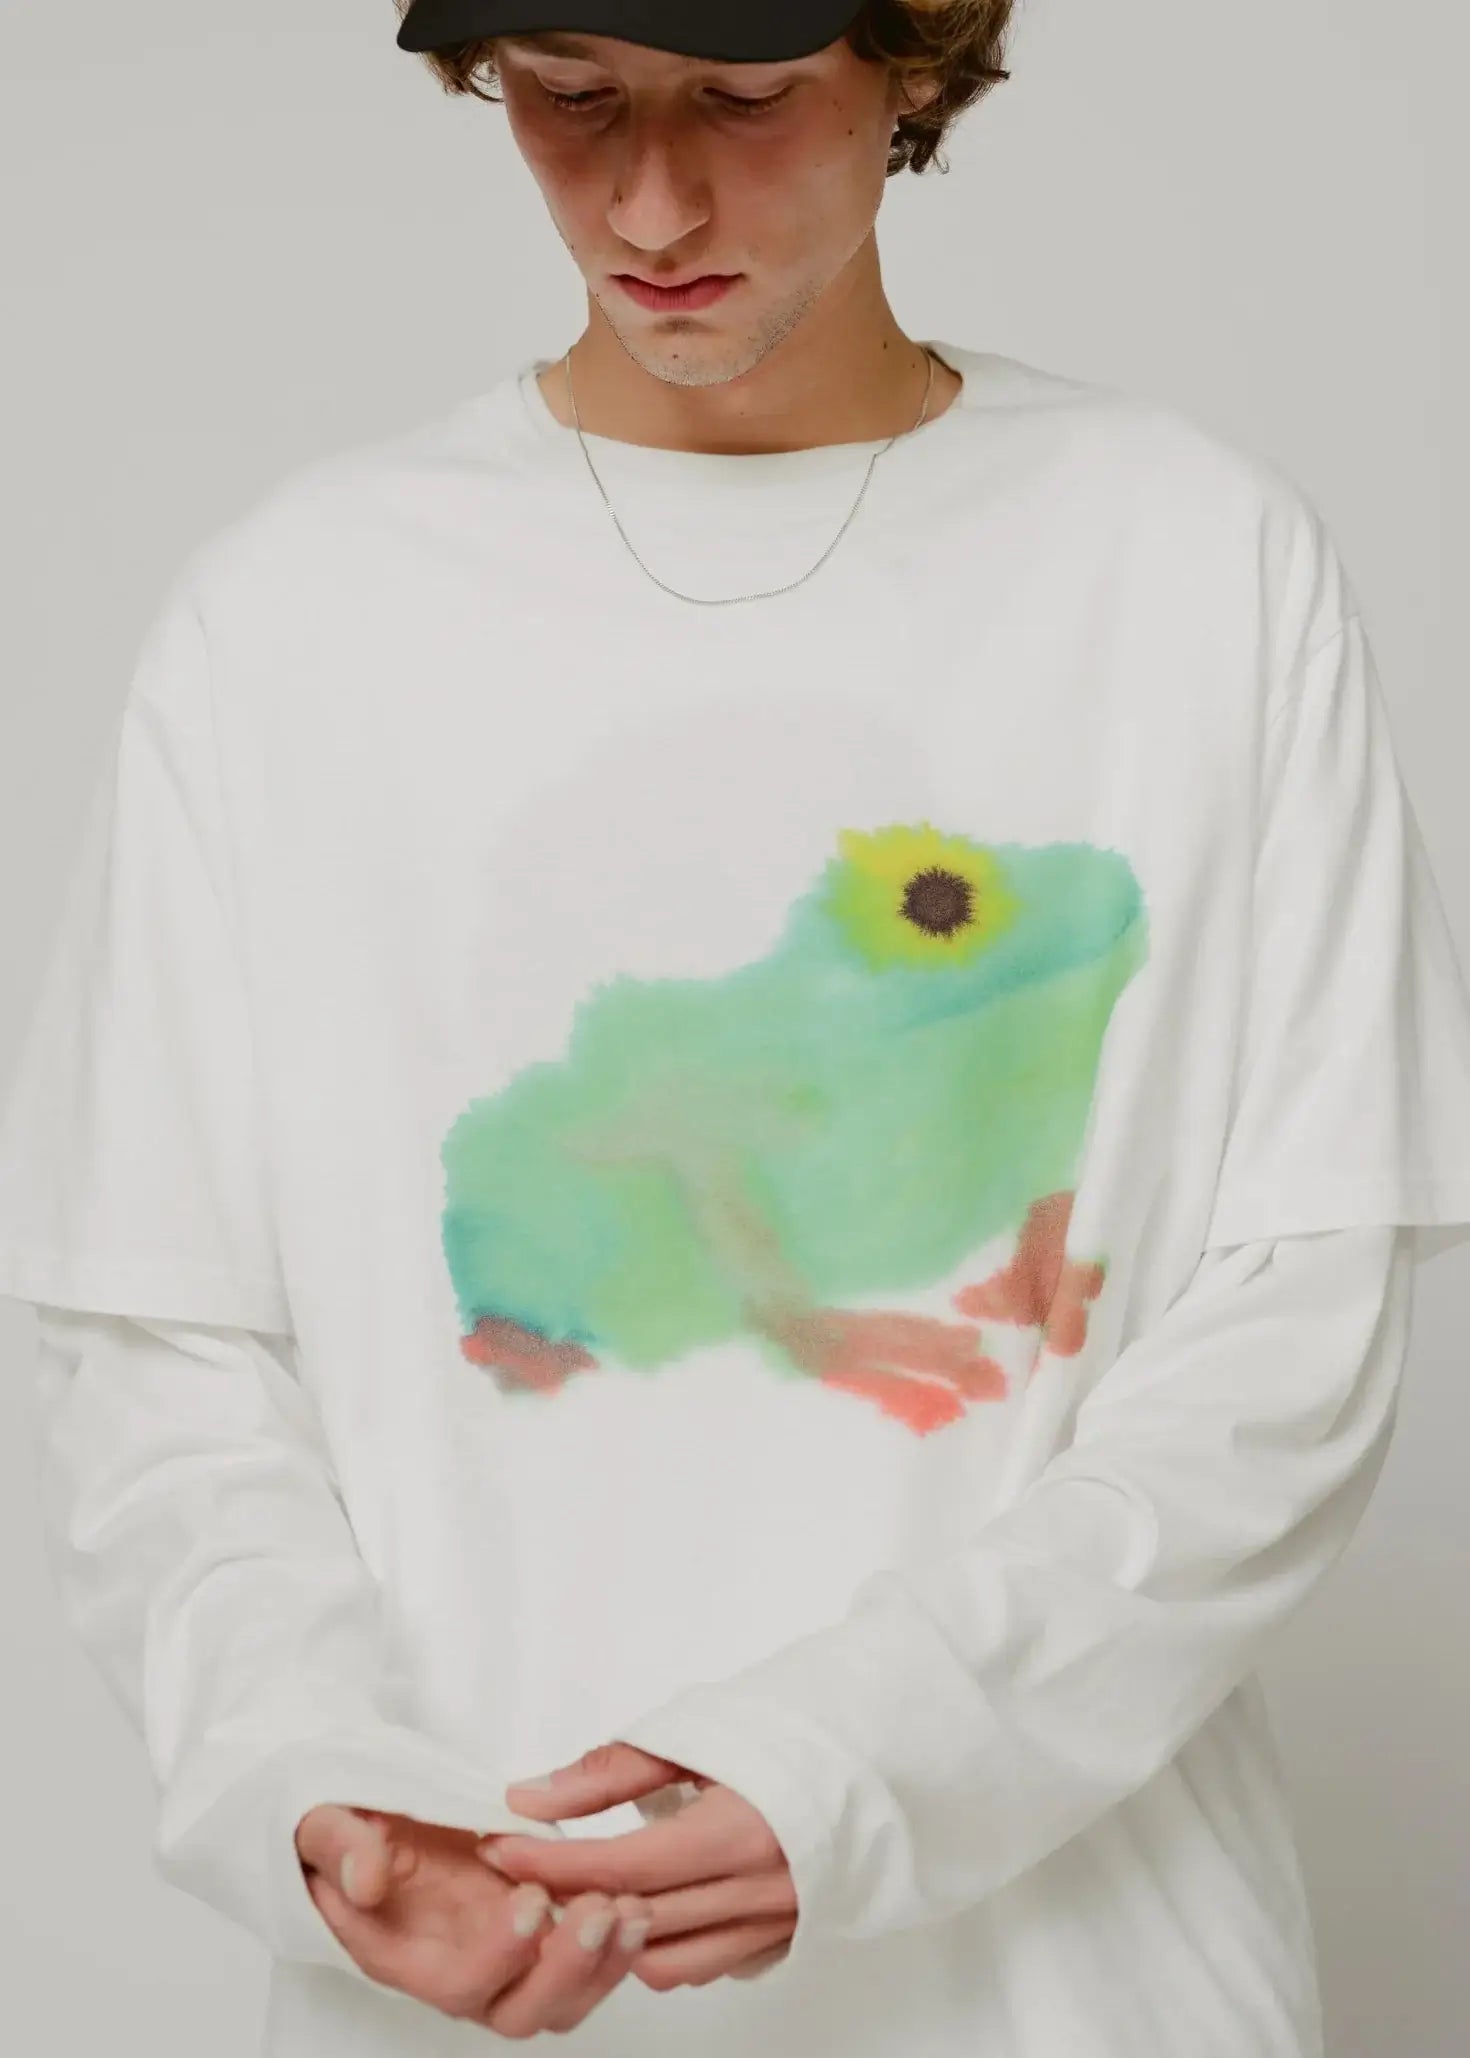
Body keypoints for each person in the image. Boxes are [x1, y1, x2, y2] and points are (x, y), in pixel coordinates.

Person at [2, 1, 1469, 2051]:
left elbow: (1289, 1339)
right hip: (466, 1982)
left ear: (912, 61)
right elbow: (162, 1364)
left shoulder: (1196, 563)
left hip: (1083, 1999)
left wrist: (859, 1760)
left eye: (746, 100)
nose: (651, 203)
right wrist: (311, 1780)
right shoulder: (290, 618)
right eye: (570, 98)